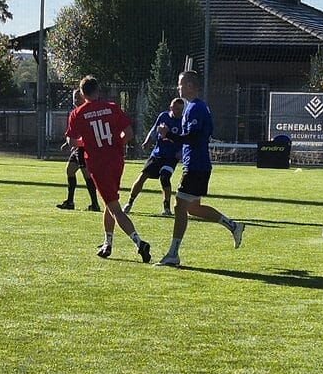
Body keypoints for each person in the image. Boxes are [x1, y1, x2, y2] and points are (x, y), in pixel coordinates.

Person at [156, 70, 244, 267]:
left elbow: (194, 137)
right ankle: (233, 226)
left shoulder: (196, 108)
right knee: (193, 208)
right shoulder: (193, 107)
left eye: (180, 84)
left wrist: (169, 135)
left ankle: (173, 254)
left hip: (196, 166)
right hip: (196, 164)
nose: (178, 87)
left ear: (189, 85)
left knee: (179, 206)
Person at [64, 77, 153, 262]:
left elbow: (71, 142)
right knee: (109, 201)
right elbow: (128, 133)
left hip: (98, 164)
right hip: (116, 160)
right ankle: (107, 243)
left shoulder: (77, 113)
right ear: (98, 90)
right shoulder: (112, 107)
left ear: (82, 94)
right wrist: (115, 143)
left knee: (115, 208)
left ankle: (139, 243)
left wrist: (87, 142)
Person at [126, 96, 185, 214]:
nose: (179, 112)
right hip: (157, 154)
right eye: (177, 109)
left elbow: (185, 139)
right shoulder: (163, 116)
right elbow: (154, 130)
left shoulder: (183, 121)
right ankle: (129, 203)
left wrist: (181, 151)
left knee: (165, 177)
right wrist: (147, 141)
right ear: (171, 108)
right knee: (142, 177)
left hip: (171, 157)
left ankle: (166, 208)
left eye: (181, 109)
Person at [57, 88, 101, 211]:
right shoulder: (76, 113)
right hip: (77, 148)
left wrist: (73, 142)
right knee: (70, 170)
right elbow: (74, 133)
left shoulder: (86, 113)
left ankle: (95, 204)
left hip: (84, 148)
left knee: (87, 175)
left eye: (77, 97)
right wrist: (68, 144)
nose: (75, 100)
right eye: (74, 98)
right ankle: (70, 202)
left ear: (84, 97)